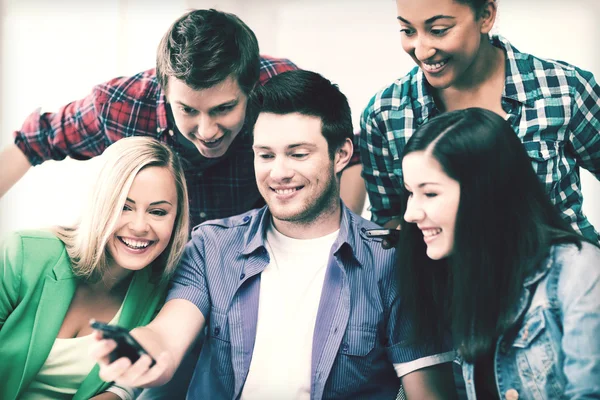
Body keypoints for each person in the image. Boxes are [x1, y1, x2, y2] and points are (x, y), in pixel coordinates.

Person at [90, 70, 458, 399]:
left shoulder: (391, 259)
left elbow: (428, 390)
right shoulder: (211, 246)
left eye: (297, 154)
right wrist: (142, 349)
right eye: (265, 155)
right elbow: (168, 335)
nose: (278, 173)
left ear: (342, 153)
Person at [0, 8, 365, 228]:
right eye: (187, 110)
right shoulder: (121, 104)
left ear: (251, 88)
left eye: (223, 109)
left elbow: (349, 155)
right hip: (157, 265)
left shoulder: (280, 87)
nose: (206, 131)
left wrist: (334, 243)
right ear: (163, 89)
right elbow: (34, 140)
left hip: (258, 259)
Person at [397, 107, 600, 399]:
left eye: (430, 193)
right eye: (409, 192)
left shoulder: (577, 271)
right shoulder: (455, 276)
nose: (410, 213)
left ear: (485, 194)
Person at [360, 0, 600, 242]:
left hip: (566, 272)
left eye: (438, 30)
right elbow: (389, 219)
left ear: (486, 15)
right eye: (408, 31)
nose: (422, 51)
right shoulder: (385, 115)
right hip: (456, 278)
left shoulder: (563, 89)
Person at [0, 136, 190, 400]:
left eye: (157, 212)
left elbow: (127, 386)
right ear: (101, 203)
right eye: (124, 207)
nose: (139, 226)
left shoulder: (162, 295)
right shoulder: (22, 254)